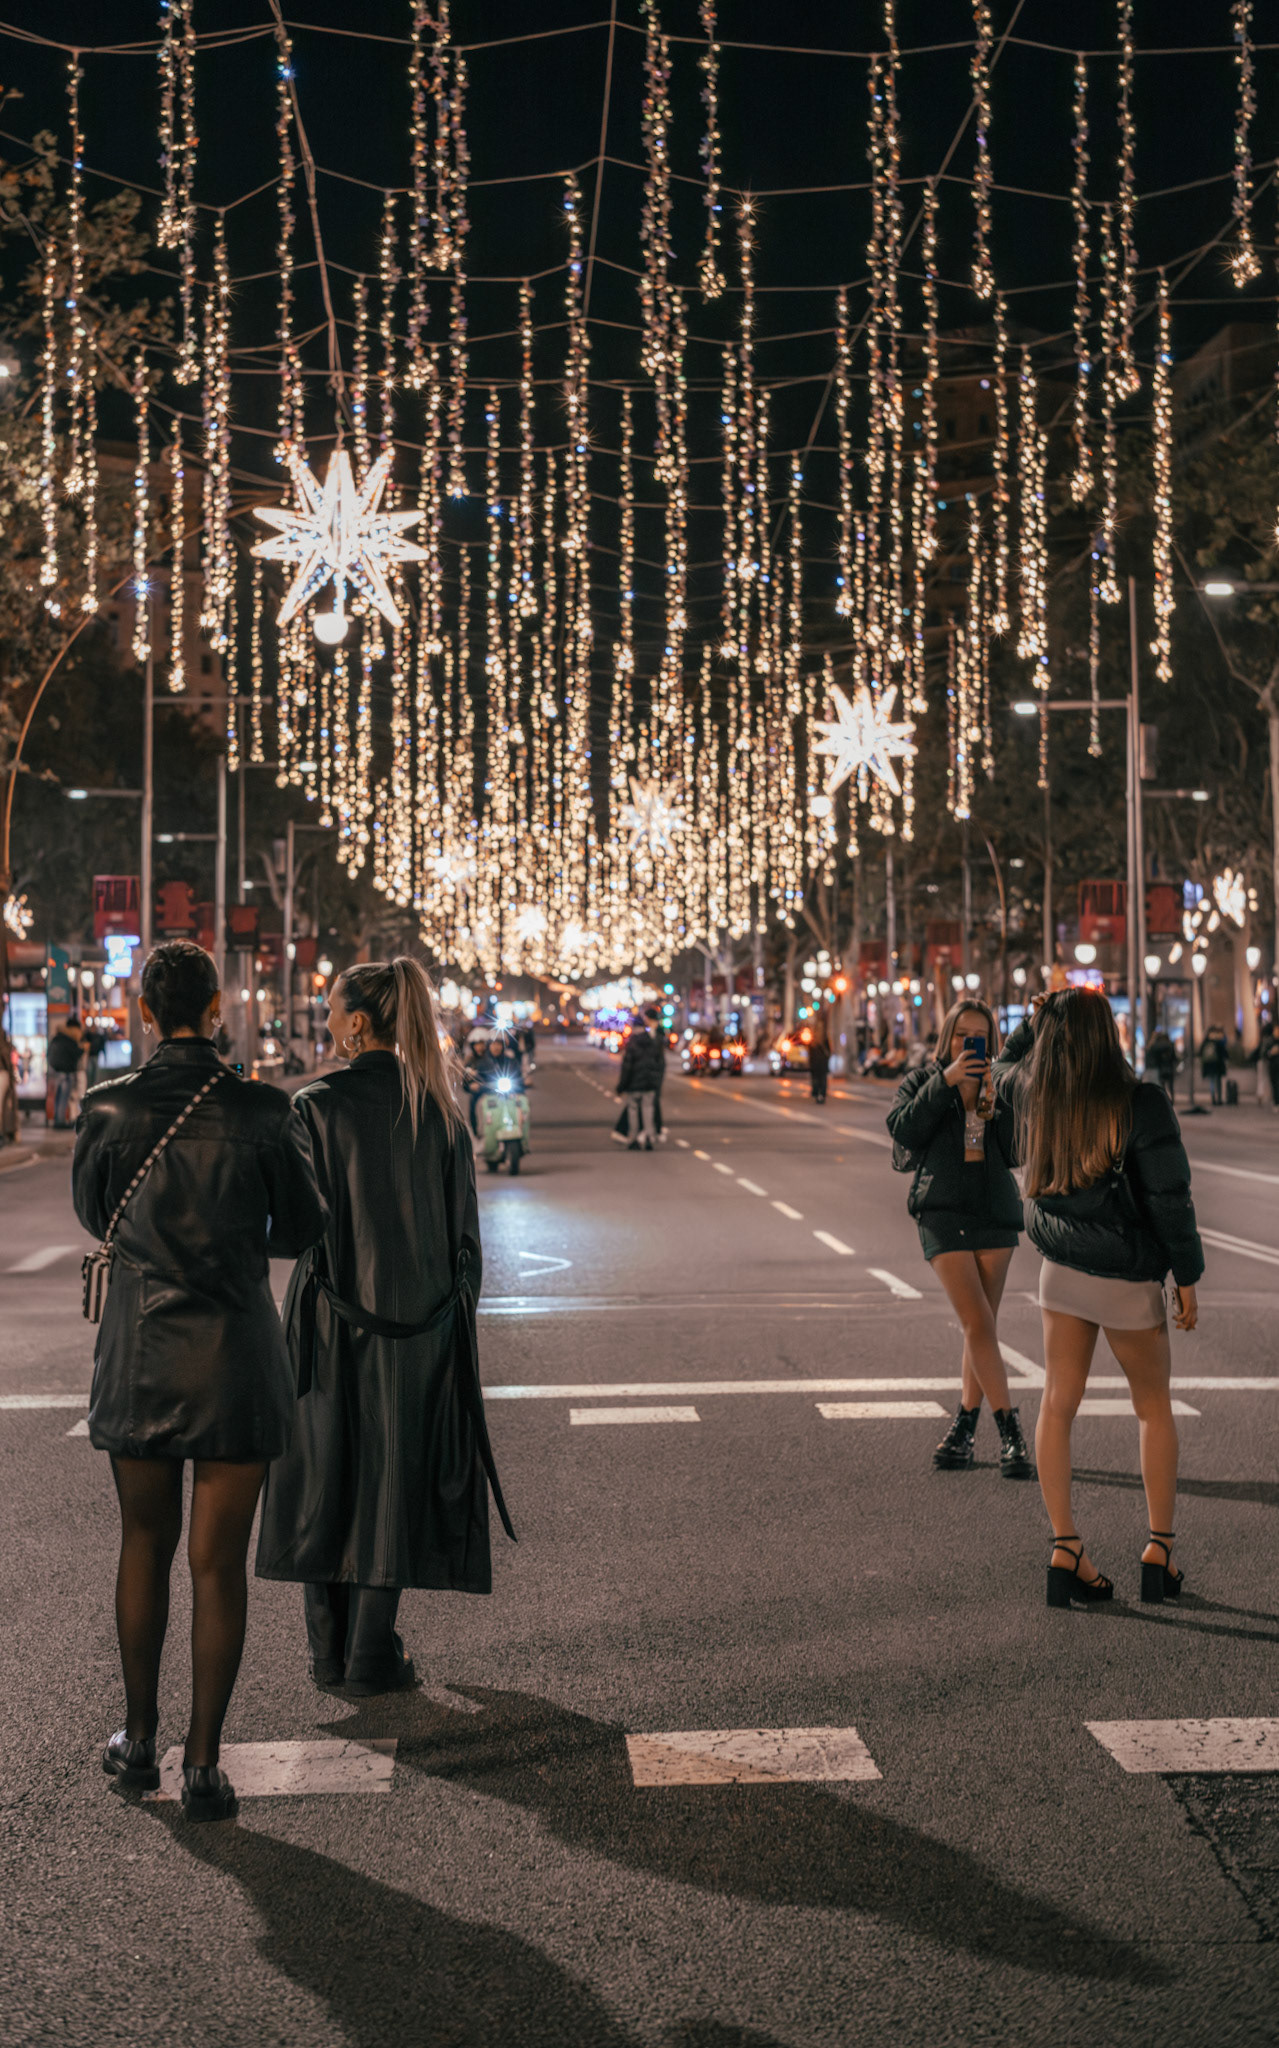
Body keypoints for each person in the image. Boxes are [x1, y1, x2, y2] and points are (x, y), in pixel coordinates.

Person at [72, 942, 325, 1820]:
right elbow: (301, 1226)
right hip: (234, 1356)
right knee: (218, 1565)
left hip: (141, 1351)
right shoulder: (264, 1108)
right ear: (217, 1009)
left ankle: (139, 1741)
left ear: (146, 1011)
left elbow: (95, 1213)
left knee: (143, 1543)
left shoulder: (106, 1109)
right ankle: (206, 1765)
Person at [256, 958, 514, 1696]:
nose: (326, 1020)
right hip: (419, 1328)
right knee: (391, 1478)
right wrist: (446, 1320)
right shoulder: (439, 1110)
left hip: (326, 1323)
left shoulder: (314, 1107)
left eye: (331, 1010)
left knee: (323, 1474)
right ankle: (372, 1651)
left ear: (358, 1023)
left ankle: (326, 1651)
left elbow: (289, 1230)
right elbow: (465, 1244)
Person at [996, 989, 1203, 1609]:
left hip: (1061, 1270)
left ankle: (1066, 1549)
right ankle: (1158, 1552)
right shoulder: (1140, 1102)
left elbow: (1000, 1070)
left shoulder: (1035, 1094)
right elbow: (1169, 1198)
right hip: (1125, 1275)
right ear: (1106, 1034)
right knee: (1153, 1408)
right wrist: (1187, 1275)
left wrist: (1029, 1026)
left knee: (1057, 1406)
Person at [886, 999, 1031, 1478]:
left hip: (993, 1211)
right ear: (947, 1037)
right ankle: (1010, 1431)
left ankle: (964, 1428)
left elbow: (1015, 1153)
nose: (971, 1043)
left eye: (981, 1037)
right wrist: (945, 1083)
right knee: (977, 1321)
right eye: (962, 1035)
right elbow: (903, 1131)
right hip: (943, 1211)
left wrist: (998, 1101)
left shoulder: (998, 1084)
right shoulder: (924, 1080)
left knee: (980, 1326)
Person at [616, 1009, 664, 1150]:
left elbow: (627, 1066)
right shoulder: (655, 1042)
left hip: (634, 1084)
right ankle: (648, 1137)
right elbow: (660, 1064)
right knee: (648, 1110)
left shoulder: (633, 1042)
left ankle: (633, 1139)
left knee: (633, 1110)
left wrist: (622, 1085)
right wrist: (657, 1082)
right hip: (649, 1083)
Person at [48, 1011, 84, 1127]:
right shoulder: (69, 1039)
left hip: (57, 1071)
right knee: (64, 1097)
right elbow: (76, 1053)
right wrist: (83, 1048)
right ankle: (60, 1121)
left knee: (59, 1096)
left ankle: (58, 1119)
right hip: (66, 1071)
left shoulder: (58, 1037)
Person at [1199, 1023, 1228, 1106]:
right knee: (1218, 1082)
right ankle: (1219, 1099)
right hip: (1217, 1064)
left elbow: (1200, 1052)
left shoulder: (1206, 1041)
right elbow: (1224, 1051)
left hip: (1208, 1064)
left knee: (1212, 1081)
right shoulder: (1218, 1040)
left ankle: (1213, 1098)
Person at [1145, 1027, 1177, 1101]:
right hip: (1161, 1068)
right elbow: (1173, 1058)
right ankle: (1167, 1099)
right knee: (1165, 1086)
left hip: (1158, 1068)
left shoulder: (1151, 1046)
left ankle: (1166, 1099)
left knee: (1162, 1086)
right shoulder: (1161, 1046)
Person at [808, 1021, 831, 1104]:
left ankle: (818, 1094)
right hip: (820, 1064)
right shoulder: (821, 1040)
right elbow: (829, 1051)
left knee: (818, 1080)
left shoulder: (815, 1041)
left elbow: (810, 1054)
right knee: (821, 1080)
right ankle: (820, 1095)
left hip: (817, 1064)